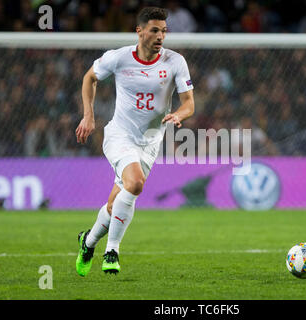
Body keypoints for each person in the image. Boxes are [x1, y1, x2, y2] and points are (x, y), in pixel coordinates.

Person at [75, 7, 195, 276]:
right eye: (154, 30)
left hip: (150, 143)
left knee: (115, 203)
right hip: (119, 135)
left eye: (164, 31)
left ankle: (88, 241)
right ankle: (112, 251)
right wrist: (88, 116)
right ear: (139, 31)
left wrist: (178, 114)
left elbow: (189, 104)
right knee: (136, 183)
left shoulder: (175, 62)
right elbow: (90, 77)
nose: (160, 36)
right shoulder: (119, 58)